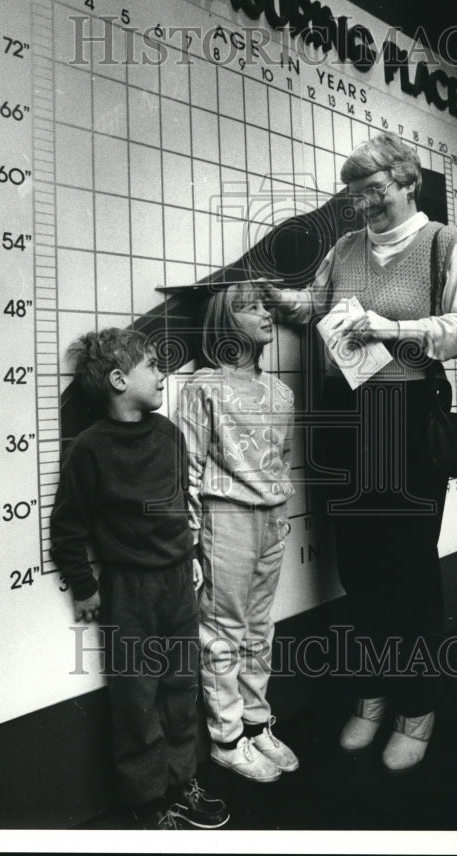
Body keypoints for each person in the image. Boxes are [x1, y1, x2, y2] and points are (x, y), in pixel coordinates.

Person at [272, 132, 457, 773]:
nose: (364, 203)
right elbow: (320, 307)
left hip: (407, 430)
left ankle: (416, 710)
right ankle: (371, 697)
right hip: (346, 424)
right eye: (355, 194)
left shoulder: (445, 246)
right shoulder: (344, 248)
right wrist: (281, 301)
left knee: (410, 575)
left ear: (406, 183)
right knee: (359, 572)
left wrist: (394, 329)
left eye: (375, 190)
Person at [49, 328, 229, 830]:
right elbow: (67, 530)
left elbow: (178, 508)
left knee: (180, 688)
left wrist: (191, 554)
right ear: (118, 379)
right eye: (152, 364)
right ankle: (149, 801)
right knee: (136, 701)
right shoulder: (89, 448)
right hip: (128, 593)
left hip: (177, 586)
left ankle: (181, 782)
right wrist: (85, 588)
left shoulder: (169, 434)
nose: (162, 372)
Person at [175, 282, 300, 783]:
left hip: (272, 517)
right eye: (249, 307)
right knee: (222, 630)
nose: (265, 313)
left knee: (259, 628)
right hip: (226, 517)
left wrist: (281, 511)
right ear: (225, 324)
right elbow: (185, 466)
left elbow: (282, 458)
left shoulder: (281, 391)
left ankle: (255, 722)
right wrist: (189, 541)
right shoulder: (204, 386)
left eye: (265, 304)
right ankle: (227, 739)